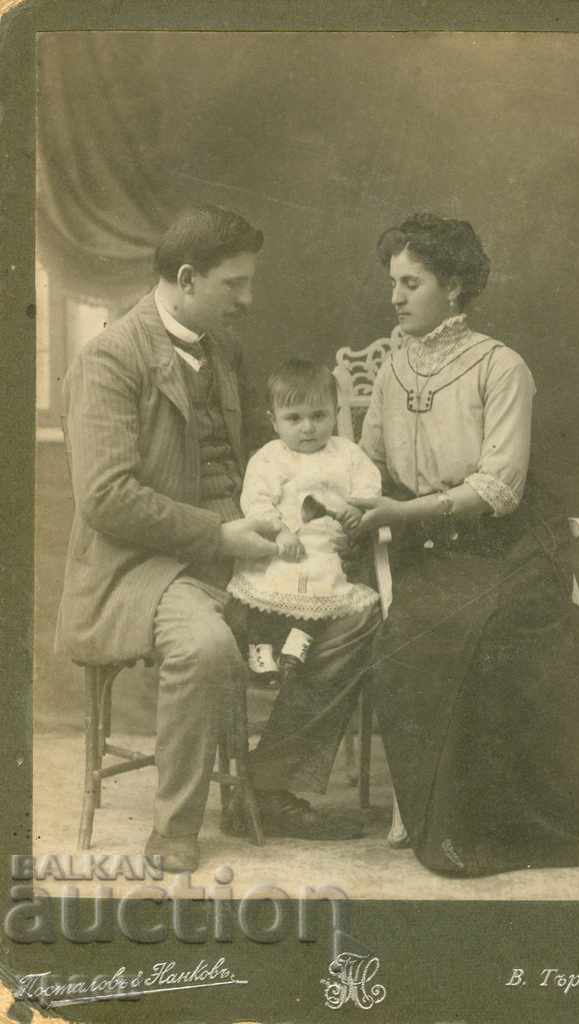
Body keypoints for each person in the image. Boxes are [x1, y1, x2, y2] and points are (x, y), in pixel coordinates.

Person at [56, 204, 380, 872]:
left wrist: (306, 508)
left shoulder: (221, 348)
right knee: (205, 649)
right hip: (143, 566)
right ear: (186, 277)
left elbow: (256, 457)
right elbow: (106, 498)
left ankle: (265, 782)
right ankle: (175, 826)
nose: (248, 299)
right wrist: (221, 535)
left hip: (235, 551)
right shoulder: (108, 361)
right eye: (234, 284)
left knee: (356, 615)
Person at [353, 212, 579, 878]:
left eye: (411, 283)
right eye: (393, 283)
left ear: (456, 287)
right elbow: (367, 459)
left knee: (501, 628)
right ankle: (434, 810)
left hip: (503, 539)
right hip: (419, 545)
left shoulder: (500, 368)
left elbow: (499, 485)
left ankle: (510, 821)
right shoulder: (391, 368)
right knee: (419, 634)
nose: (395, 297)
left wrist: (405, 509)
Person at [228, 358, 381, 687]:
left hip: (327, 547)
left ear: (336, 413)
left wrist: (356, 512)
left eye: (318, 416)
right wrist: (279, 531)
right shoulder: (270, 457)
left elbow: (369, 486)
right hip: (282, 547)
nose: (308, 428)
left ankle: (298, 643)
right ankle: (261, 648)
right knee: (265, 595)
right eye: (294, 418)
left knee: (325, 592)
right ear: (274, 421)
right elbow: (255, 500)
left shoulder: (348, 454)